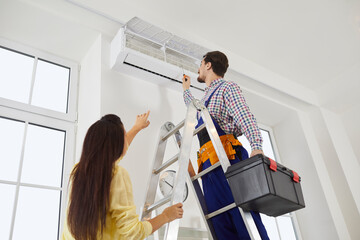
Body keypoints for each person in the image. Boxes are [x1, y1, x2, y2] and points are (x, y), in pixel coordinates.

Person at [182, 51, 269, 239]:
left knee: (242, 216)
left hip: (227, 160)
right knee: (219, 221)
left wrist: (256, 145)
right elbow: (194, 109)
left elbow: (244, 115)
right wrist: (186, 90)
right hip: (208, 165)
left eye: (200, 63)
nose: (198, 67)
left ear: (208, 65)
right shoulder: (205, 100)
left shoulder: (227, 88)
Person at [62, 112, 183, 240]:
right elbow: (132, 233)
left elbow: (111, 157)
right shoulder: (117, 175)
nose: (126, 137)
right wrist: (166, 216)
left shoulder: (78, 171)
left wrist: (136, 128)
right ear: (117, 144)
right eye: (124, 135)